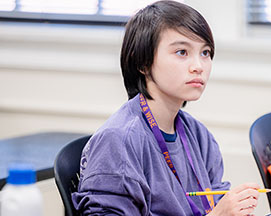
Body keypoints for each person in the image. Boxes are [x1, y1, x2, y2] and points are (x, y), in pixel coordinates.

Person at [72, 1, 260, 215]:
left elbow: (215, 201)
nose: (198, 66)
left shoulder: (199, 136)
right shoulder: (119, 140)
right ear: (143, 63)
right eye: (182, 52)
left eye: (205, 52)